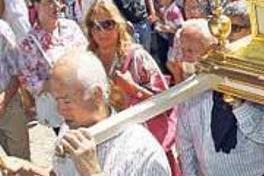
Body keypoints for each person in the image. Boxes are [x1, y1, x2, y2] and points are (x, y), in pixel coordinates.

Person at [4, 50, 171, 176]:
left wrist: (92, 172)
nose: (60, 109)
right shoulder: (68, 130)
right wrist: (30, 169)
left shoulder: (141, 151)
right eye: (57, 100)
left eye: (67, 101)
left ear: (96, 94)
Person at [175, 20, 264, 176]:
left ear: (213, 50)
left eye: (190, 50)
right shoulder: (190, 88)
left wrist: (238, 103)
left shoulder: (246, 80)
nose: (184, 57)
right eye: (182, 50)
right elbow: (185, 141)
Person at [84, 0, 178, 173]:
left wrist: (133, 88)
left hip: (143, 144)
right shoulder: (87, 61)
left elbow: (166, 103)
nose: (102, 31)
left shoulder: (137, 57)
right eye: (95, 25)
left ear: (119, 25)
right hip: (106, 144)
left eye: (108, 24)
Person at [15, 0, 88, 129]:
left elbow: (86, 53)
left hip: (82, 97)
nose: (55, 5)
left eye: (57, 0)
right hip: (58, 109)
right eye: (49, 1)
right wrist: (51, 84)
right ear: (36, 5)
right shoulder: (29, 43)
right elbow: (27, 79)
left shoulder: (71, 27)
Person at [0, 19, 29, 160]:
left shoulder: (2, 30)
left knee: (20, 159)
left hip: (7, 102)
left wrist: (3, 100)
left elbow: (18, 70)